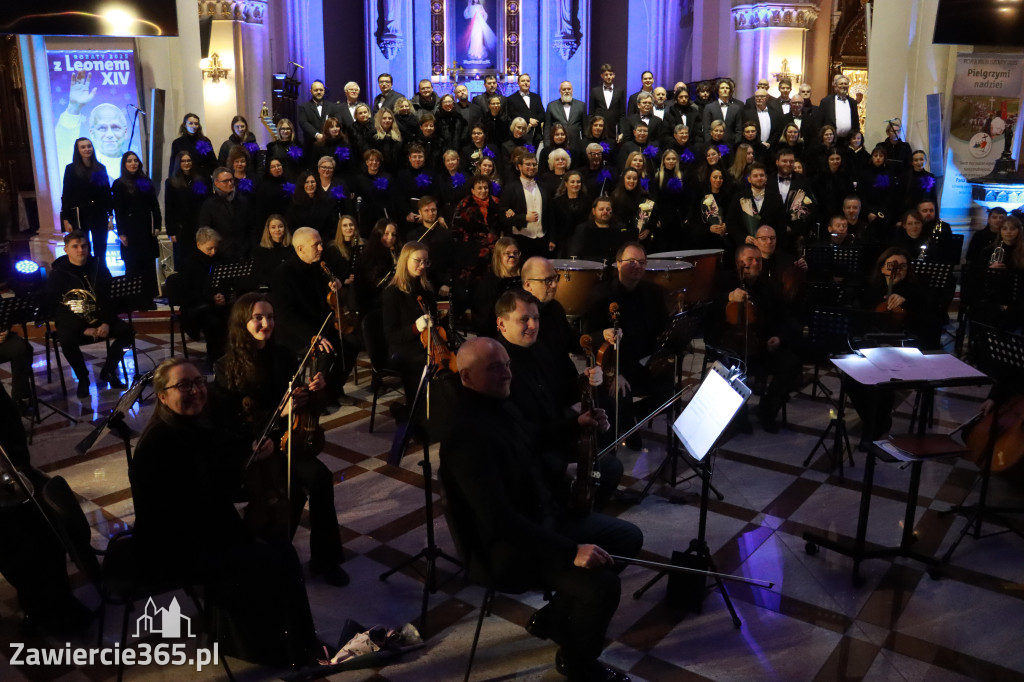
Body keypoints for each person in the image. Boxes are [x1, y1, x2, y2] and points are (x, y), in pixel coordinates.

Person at [440, 336, 642, 682]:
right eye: (494, 368)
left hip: (541, 519)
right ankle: (577, 662)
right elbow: (498, 520)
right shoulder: (466, 435)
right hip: (508, 549)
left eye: (507, 364)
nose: (506, 373)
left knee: (627, 537)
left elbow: (529, 438)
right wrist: (571, 551)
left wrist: (576, 424)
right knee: (602, 585)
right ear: (466, 377)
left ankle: (553, 617)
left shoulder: (498, 402)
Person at [130, 357, 322, 667]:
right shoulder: (160, 443)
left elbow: (215, 464)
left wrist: (250, 456)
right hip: (174, 549)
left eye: (197, 382)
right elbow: (190, 508)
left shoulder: (190, 425)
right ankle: (290, 651)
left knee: (276, 544)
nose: (195, 390)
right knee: (279, 555)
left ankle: (268, 639)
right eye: (183, 385)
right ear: (162, 396)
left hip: (198, 531)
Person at [213, 294, 349, 587]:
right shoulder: (226, 367)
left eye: (270, 316)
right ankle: (270, 553)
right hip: (255, 447)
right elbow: (229, 420)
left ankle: (325, 559)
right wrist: (278, 411)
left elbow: (302, 400)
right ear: (242, 322)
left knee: (321, 478)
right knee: (288, 488)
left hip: (289, 440)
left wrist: (314, 390)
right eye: (258, 318)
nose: (266, 323)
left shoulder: (284, 356)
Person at [585, 243, 671, 449]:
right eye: (631, 261)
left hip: (644, 362)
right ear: (617, 264)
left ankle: (631, 417)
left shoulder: (653, 293)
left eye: (641, 262)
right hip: (614, 365)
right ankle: (627, 424)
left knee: (669, 390)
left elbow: (663, 328)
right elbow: (588, 337)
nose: (637, 266)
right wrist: (615, 372)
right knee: (621, 392)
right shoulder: (601, 294)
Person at [708, 244, 801, 432]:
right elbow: (708, 311)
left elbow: (785, 318)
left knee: (792, 364)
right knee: (732, 365)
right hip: (732, 348)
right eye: (749, 259)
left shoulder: (769, 286)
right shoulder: (723, 281)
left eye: (758, 260)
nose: (755, 263)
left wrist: (778, 337)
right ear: (738, 262)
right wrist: (727, 298)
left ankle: (767, 410)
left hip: (762, 347)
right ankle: (737, 416)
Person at [271, 227, 358, 406]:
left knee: (352, 342)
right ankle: (313, 397)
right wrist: (313, 336)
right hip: (296, 333)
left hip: (321, 326)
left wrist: (334, 288)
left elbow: (323, 301)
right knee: (324, 350)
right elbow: (286, 315)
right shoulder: (283, 274)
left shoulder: (319, 267)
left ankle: (333, 389)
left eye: (321, 243)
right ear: (300, 249)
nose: (321, 248)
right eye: (315, 245)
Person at [45, 231, 133, 397]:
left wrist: (106, 322)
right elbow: (56, 310)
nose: (80, 250)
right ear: (66, 249)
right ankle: (83, 378)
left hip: (100, 318)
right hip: (73, 323)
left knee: (127, 332)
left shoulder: (98, 266)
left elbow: (109, 298)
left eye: (84, 246)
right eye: (75, 247)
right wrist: (82, 329)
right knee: (66, 339)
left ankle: (108, 370)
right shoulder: (57, 274)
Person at [382, 241, 442, 418]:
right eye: (418, 261)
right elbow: (391, 336)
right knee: (422, 365)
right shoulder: (392, 292)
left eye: (426, 262)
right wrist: (416, 327)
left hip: (425, 343)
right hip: (402, 349)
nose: (422, 266)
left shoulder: (426, 288)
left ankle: (438, 412)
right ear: (405, 260)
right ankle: (415, 417)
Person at [173, 227, 231, 365]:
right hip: (196, 308)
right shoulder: (189, 263)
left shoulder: (220, 258)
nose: (213, 252)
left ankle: (232, 358)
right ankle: (216, 361)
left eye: (215, 248)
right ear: (199, 245)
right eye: (209, 249)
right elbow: (187, 293)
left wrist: (223, 296)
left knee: (237, 316)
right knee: (215, 323)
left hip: (217, 304)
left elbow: (226, 283)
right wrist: (211, 299)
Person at [112, 151, 162, 298]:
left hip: (147, 229)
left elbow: (155, 206)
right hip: (130, 231)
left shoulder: (146, 182)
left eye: (135, 160)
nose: (133, 163)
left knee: (148, 266)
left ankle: (148, 298)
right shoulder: (118, 184)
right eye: (129, 161)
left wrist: (157, 225)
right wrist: (121, 233)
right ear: (124, 164)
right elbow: (118, 211)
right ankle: (134, 299)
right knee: (133, 265)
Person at [60, 137, 113, 259]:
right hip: (80, 215)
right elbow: (66, 194)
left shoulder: (100, 168)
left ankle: (101, 275)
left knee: (101, 249)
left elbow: (106, 193)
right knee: (83, 249)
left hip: (99, 214)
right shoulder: (71, 169)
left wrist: (110, 216)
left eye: (89, 146)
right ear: (77, 150)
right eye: (83, 147)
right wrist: (65, 219)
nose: (87, 149)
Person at [499, 153, 554, 260]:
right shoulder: (510, 189)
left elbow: (551, 215)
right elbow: (502, 216)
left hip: (542, 240)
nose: (532, 167)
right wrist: (524, 218)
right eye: (528, 164)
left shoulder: (545, 187)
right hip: (520, 240)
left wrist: (552, 238)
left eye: (534, 164)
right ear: (519, 166)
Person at [198, 167, 256, 260]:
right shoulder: (209, 204)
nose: (230, 183)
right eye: (225, 181)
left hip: (243, 252)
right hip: (220, 254)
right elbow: (205, 231)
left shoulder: (243, 201)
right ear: (216, 183)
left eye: (231, 180)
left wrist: (251, 249)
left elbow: (251, 227)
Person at [164, 151, 209, 270]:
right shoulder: (171, 182)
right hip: (180, 229)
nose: (186, 163)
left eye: (189, 160)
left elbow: (204, 203)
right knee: (182, 260)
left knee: (198, 261)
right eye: (183, 161)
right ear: (178, 163)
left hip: (197, 226)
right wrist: (171, 231)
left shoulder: (200, 180)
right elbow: (169, 208)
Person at [472, 237, 521, 336]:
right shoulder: (488, 282)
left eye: (515, 253)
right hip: (497, 332)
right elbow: (483, 316)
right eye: (507, 254)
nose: (512, 256)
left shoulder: (524, 277)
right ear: (499, 256)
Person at [354, 219, 402, 314]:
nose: (390, 237)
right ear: (378, 234)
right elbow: (372, 283)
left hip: (392, 301)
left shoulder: (396, 253)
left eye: (393, 234)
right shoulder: (368, 255)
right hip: (374, 304)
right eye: (386, 233)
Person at [287, 169, 339, 239]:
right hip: (302, 241)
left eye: (312, 182)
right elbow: (291, 226)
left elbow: (332, 225)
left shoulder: (326, 201)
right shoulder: (295, 203)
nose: (310, 185)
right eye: (306, 182)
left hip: (323, 241)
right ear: (302, 184)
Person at [168, 112, 218, 177]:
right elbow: (173, 164)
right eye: (190, 123)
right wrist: (171, 180)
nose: (194, 126)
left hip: (202, 178)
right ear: (185, 125)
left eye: (196, 124)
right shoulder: (177, 143)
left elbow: (212, 161)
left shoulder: (205, 141)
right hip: (184, 179)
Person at [816, 74, 859, 145]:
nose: (843, 86)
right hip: (831, 141)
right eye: (841, 84)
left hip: (848, 141)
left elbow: (856, 123)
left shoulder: (853, 102)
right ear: (836, 86)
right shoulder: (826, 101)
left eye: (846, 84)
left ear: (848, 86)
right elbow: (819, 123)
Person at [298, 79, 342, 148]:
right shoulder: (303, 107)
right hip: (311, 145)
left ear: (324, 91)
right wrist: (317, 135)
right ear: (311, 91)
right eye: (316, 90)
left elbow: (338, 121)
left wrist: (328, 135)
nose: (319, 92)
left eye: (321, 90)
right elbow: (304, 123)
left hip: (330, 144)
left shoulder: (333, 106)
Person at [253, 214, 293, 289]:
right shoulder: (261, 250)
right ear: (268, 230)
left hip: (289, 286)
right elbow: (259, 276)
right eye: (273, 227)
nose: (277, 230)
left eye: (280, 226)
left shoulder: (292, 247)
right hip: (270, 288)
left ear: (285, 228)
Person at [505, 72, 545, 145]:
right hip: (519, 135)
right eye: (523, 81)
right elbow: (513, 114)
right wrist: (528, 119)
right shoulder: (511, 98)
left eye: (528, 81)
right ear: (518, 83)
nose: (526, 83)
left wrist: (535, 121)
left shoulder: (536, 97)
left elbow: (542, 113)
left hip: (536, 135)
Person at [589, 64, 625, 141]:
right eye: (606, 75)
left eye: (610, 74)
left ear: (614, 75)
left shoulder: (620, 91)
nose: (608, 77)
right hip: (598, 130)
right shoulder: (595, 91)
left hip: (614, 130)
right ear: (602, 76)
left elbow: (622, 114)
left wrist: (622, 131)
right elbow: (591, 113)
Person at [702, 80, 744, 145]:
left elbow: (739, 130)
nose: (725, 90)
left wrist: (736, 144)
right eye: (722, 88)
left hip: (732, 146)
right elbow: (706, 129)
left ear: (730, 91)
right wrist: (710, 144)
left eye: (727, 88)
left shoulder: (736, 108)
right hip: (713, 145)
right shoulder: (709, 107)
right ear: (718, 90)